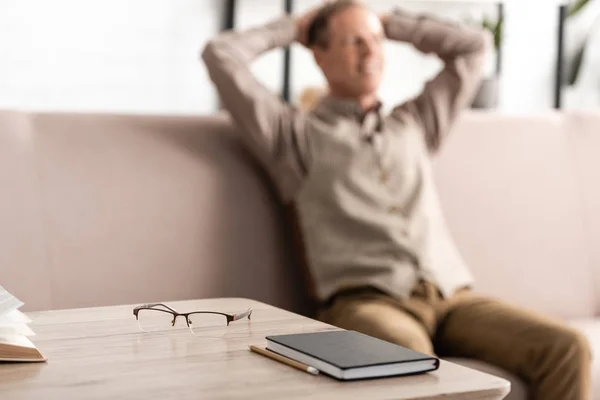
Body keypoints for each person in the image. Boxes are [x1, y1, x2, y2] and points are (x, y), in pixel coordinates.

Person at [202, 1, 591, 399]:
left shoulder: (416, 122)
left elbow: (473, 47)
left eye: (376, 40)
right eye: (355, 41)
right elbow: (221, 55)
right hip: (367, 302)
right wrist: (294, 28)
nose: (371, 52)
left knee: (567, 348)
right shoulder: (293, 138)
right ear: (319, 54)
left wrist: (393, 23)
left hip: (451, 297)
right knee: (413, 361)